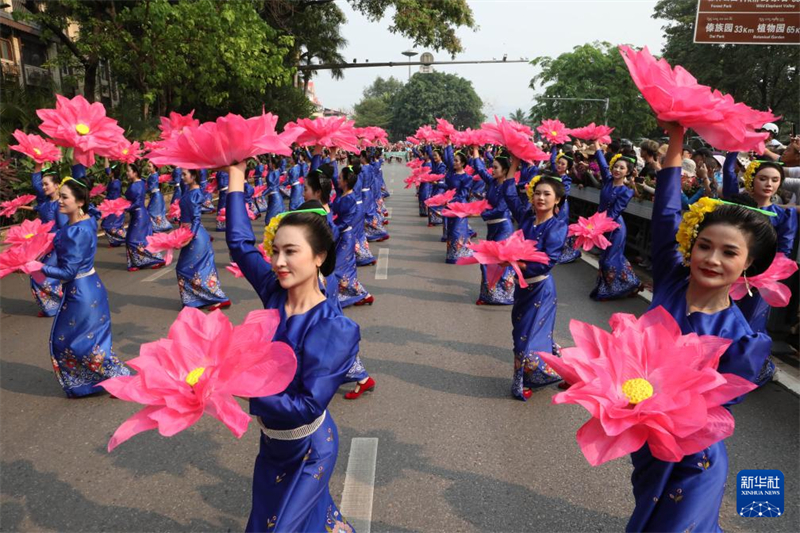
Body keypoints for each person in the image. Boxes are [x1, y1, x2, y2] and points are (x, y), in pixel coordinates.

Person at [627, 120, 776, 532]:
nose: (711, 259)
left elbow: (714, 411)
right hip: (648, 447)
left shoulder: (743, 339)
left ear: (748, 265)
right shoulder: (672, 279)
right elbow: (667, 210)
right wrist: (676, 137)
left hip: (697, 457)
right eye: (704, 246)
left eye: (729, 252)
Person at [225, 161, 359, 533]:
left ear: (319, 257)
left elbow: (306, 405)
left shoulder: (334, 328)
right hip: (273, 445)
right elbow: (238, 242)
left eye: (291, 252)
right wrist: (236, 172)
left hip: (310, 449)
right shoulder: (273, 291)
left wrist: (232, 384)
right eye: (275, 251)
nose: (279, 262)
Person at [39, 175, 131, 397]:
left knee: (70, 341)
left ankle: (110, 379)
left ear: (79, 202)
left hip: (81, 290)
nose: (59, 201)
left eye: (64, 197)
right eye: (59, 197)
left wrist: (38, 267)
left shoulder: (75, 231)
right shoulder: (87, 221)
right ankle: (102, 380)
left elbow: (68, 272)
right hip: (88, 286)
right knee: (85, 340)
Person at [502, 158, 567, 400]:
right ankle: (566, 367)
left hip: (540, 288)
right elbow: (509, 195)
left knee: (526, 340)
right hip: (522, 289)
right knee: (520, 332)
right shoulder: (527, 219)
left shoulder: (557, 226)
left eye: (547, 194)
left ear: (557, 199)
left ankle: (522, 382)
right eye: (537, 193)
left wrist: (516, 263)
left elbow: (548, 261)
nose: (540, 198)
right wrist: (514, 163)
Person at [589, 143, 642, 300]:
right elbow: (602, 162)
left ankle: (623, 286)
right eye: (616, 167)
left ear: (628, 172)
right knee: (606, 258)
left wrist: (600, 225)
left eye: (622, 168)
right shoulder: (607, 181)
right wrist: (597, 143)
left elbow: (615, 211)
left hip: (615, 228)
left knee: (610, 261)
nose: (617, 170)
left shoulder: (627, 191)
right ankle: (629, 283)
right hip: (601, 224)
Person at [175, 169, 230, 310]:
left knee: (187, 268)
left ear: (193, 176)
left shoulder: (196, 194)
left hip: (195, 236)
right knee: (187, 269)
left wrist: (190, 236)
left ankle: (218, 298)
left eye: (184, 175)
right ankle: (194, 300)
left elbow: (196, 218)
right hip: (189, 232)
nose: (182, 177)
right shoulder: (188, 191)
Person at [470, 147, 515, 305]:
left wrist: (478, 214)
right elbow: (480, 169)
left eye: (496, 167)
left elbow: (500, 209)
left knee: (499, 261)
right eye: (492, 167)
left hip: (503, 228)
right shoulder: (493, 182)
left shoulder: (507, 187)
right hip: (492, 228)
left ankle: (504, 294)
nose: (492, 170)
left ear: (505, 171)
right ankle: (489, 295)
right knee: (486, 261)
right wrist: (475, 148)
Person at [25, 163, 67, 317]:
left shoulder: (60, 205)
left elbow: (63, 228)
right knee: (35, 272)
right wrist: (37, 164)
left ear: (56, 186)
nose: (43, 187)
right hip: (43, 244)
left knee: (45, 273)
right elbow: (35, 186)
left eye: (46, 184)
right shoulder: (44, 204)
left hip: (56, 245)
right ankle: (50, 306)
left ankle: (61, 303)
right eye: (42, 184)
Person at [124, 163, 166, 271]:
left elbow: (137, 202)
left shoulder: (136, 185)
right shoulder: (141, 182)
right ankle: (138, 262)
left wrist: (124, 208)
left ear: (135, 172)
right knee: (138, 239)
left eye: (129, 170)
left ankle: (156, 259)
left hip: (139, 214)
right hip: (139, 214)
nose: (127, 173)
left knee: (132, 240)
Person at [443, 148, 474, 264]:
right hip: (449, 205)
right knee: (451, 230)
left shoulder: (467, 178)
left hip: (460, 206)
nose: (454, 162)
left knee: (457, 231)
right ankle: (452, 254)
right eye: (454, 160)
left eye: (457, 161)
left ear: (462, 164)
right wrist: (448, 144)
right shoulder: (451, 173)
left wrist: (452, 200)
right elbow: (448, 158)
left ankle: (460, 254)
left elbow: (463, 194)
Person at [100, 161, 127, 247]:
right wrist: (106, 157)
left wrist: (98, 194)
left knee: (107, 225)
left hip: (113, 206)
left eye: (110, 171)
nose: (109, 172)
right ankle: (115, 241)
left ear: (113, 173)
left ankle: (123, 238)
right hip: (114, 204)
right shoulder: (115, 180)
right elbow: (107, 170)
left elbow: (110, 197)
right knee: (114, 225)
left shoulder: (115, 184)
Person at [144, 161, 172, 232]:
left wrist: (143, 189)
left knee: (151, 211)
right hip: (155, 195)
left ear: (154, 167)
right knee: (153, 211)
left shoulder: (154, 175)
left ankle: (156, 227)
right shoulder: (152, 174)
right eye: (148, 166)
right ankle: (155, 226)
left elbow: (151, 187)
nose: (148, 168)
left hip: (156, 196)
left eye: (150, 166)